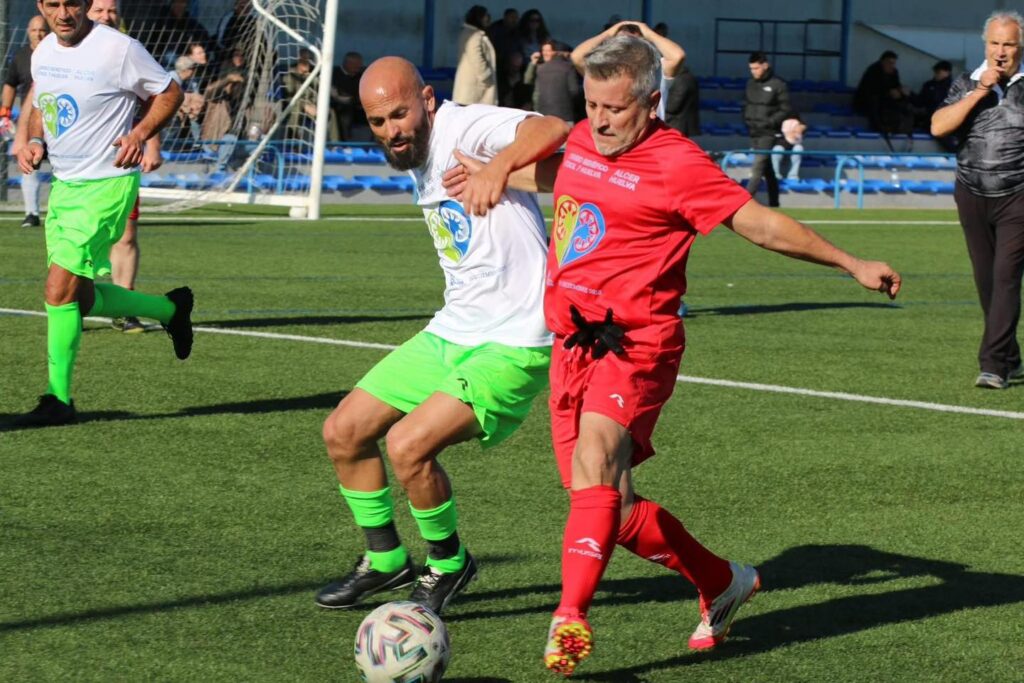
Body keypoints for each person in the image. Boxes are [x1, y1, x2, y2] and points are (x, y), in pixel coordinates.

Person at [444, 34, 900, 676]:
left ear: (652, 102)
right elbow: (560, 172)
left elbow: (759, 224)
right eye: (593, 105)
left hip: (636, 343)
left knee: (597, 461)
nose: (600, 121)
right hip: (572, 346)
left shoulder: (677, 163)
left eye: (616, 109)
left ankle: (569, 616)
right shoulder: (582, 138)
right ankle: (722, 581)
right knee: (610, 507)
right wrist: (492, 172)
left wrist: (850, 262)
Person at [313, 56, 569, 616]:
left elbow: (552, 129)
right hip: (455, 327)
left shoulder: (464, 124)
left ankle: (448, 563)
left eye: (400, 114)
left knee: (408, 444)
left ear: (427, 99)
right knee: (344, 431)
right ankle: (385, 561)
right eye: (378, 122)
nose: (391, 131)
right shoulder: (416, 152)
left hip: (517, 337)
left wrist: (496, 169)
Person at [13, 0, 193, 428]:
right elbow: (42, 105)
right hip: (66, 185)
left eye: (72, 3)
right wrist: (35, 141)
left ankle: (59, 400)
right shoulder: (43, 53)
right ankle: (169, 309)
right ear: (40, 5)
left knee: (58, 290)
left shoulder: (119, 49)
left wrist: (140, 133)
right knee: (81, 297)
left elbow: (170, 92)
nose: (63, 13)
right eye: (53, 4)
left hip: (106, 184)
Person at [932, 11, 1024, 390]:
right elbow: (939, 126)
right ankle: (1011, 356)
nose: (1000, 52)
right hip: (970, 191)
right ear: (985, 45)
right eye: (994, 44)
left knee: (1005, 278)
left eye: (1009, 44)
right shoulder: (966, 83)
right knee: (985, 281)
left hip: (1018, 195)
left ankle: (993, 365)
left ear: (1021, 47)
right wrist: (980, 91)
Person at [88, 0, 165, 334]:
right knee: (83, 240)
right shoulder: (60, 51)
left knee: (126, 235)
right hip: (77, 167)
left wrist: (152, 143)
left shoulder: (125, 52)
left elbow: (156, 96)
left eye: (111, 10)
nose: (106, 16)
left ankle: (125, 307)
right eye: (99, 10)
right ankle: (72, 302)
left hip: (121, 162)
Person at [1, 15, 49, 228]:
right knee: (29, 164)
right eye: (34, 30)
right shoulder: (20, 57)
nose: (38, 34)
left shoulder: (58, 52)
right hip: (31, 121)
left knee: (63, 165)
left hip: (59, 119)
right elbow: (10, 85)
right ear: (28, 32)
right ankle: (32, 213)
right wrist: (4, 113)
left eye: (42, 30)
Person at [744, 51, 790, 207]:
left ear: (765, 65)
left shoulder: (778, 85)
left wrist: (770, 122)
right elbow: (746, 105)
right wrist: (747, 119)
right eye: (751, 68)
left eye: (756, 68)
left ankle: (744, 202)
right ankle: (775, 202)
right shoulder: (750, 84)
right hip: (753, 131)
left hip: (768, 133)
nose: (754, 71)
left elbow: (785, 109)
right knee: (767, 169)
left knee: (758, 165)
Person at [854, 50, 913, 143]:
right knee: (875, 101)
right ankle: (880, 128)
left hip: (886, 100)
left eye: (894, 63)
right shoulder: (873, 71)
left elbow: (896, 85)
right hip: (868, 101)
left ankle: (900, 126)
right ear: (883, 62)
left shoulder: (894, 72)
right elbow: (870, 91)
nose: (892, 66)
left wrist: (900, 91)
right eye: (890, 63)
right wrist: (889, 92)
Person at [525, 40, 580, 123]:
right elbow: (528, 80)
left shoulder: (541, 68)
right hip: (562, 114)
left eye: (548, 51)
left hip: (543, 114)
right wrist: (532, 63)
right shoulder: (539, 67)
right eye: (543, 51)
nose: (545, 53)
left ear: (555, 52)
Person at [453, 5, 498, 106]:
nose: (488, 18)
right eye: (486, 16)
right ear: (478, 18)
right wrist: (486, 77)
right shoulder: (473, 35)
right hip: (474, 91)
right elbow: (476, 58)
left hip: (471, 91)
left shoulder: (470, 33)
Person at [331, 51, 366, 141]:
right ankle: (344, 143)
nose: (359, 67)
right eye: (356, 64)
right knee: (345, 114)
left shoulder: (362, 75)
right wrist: (351, 100)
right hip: (340, 106)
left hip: (359, 105)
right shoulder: (334, 74)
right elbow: (335, 95)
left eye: (360, 64)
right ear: (347, 63)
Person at [772, 114, 807, 181]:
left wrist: (801, 128)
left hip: (794, 145)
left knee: (799, 149)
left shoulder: (798, 123)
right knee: (777, 149)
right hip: (781, 145)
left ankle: (793, 176)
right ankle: (775, 175)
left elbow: (803, 126)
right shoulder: (778, 122)